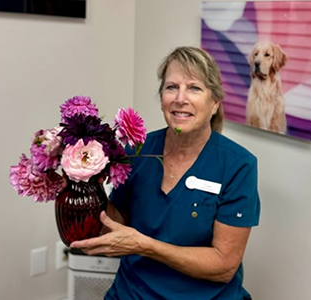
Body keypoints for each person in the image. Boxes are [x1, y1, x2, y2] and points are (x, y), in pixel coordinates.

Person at [70, 46, 261, 300]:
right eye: (172, 87)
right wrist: (86, 179)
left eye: (195, 88)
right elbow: (117, 222)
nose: (180, 98)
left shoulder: (237, 165)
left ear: (215, 103)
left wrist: (145, 246)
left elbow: (223, 266)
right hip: (132, 293)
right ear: (161, 99)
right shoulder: (138, 151)